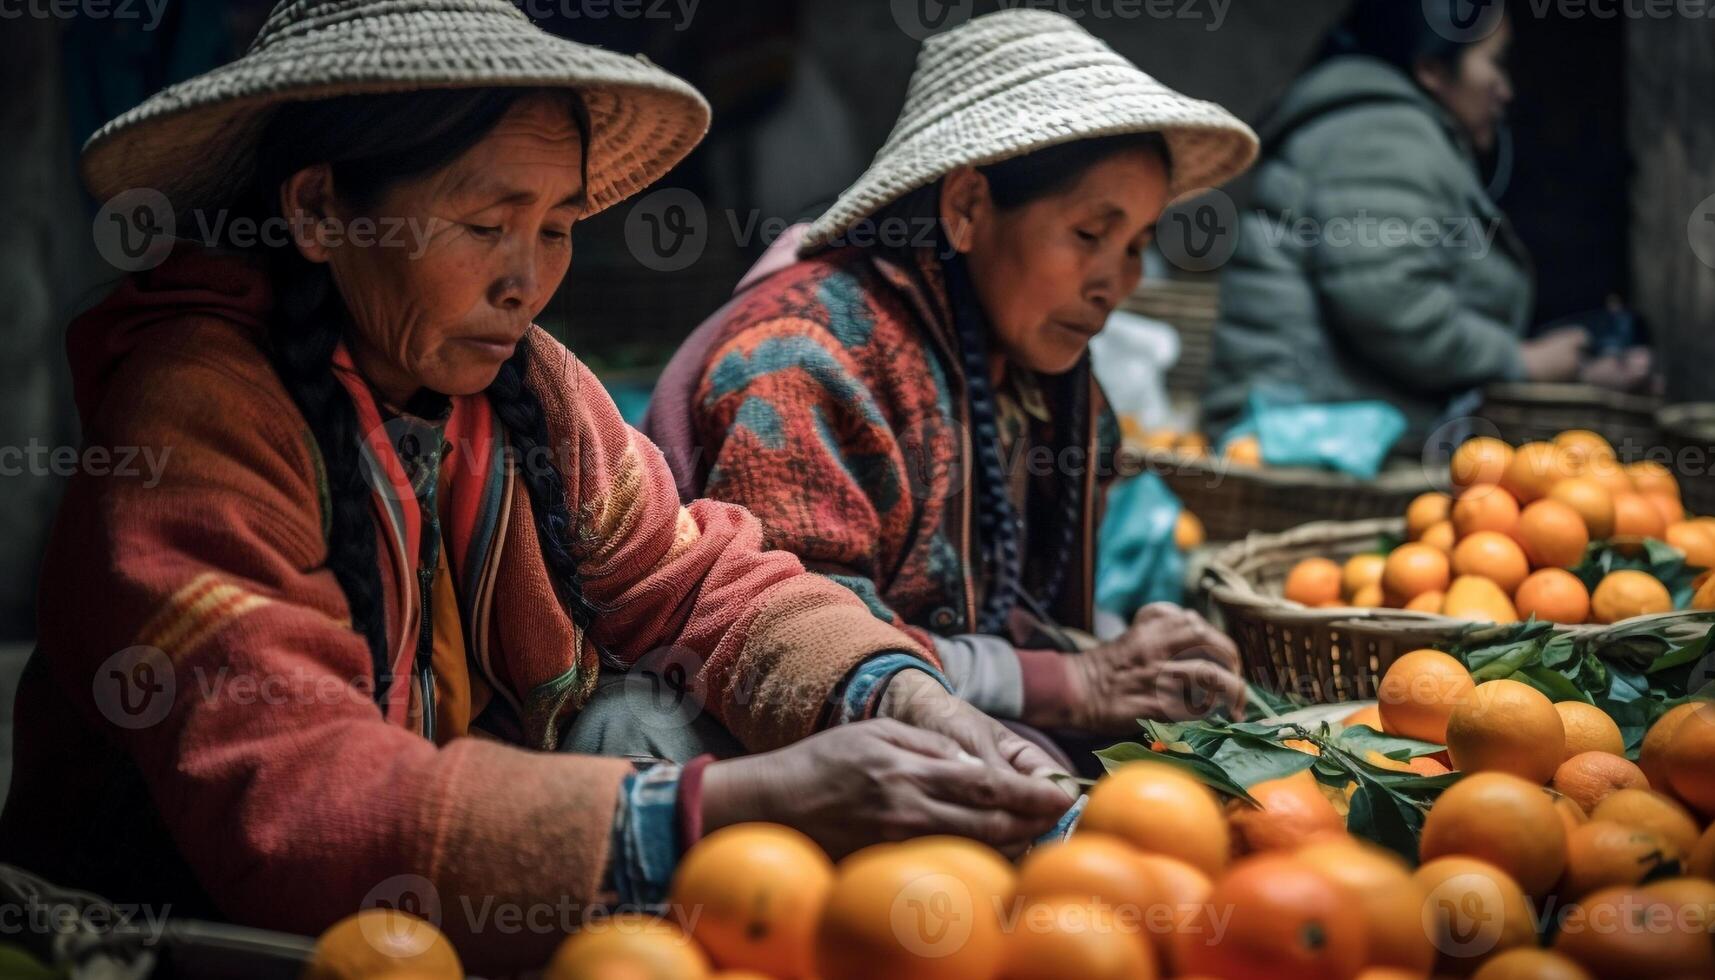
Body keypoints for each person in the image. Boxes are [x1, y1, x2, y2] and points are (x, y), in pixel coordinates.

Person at [0, 1, 1071, 972]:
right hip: (183, 923)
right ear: (320, 208)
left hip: (416, 890)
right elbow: (297, 792)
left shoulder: (525, 383)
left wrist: (898, 692)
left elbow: (692, 575)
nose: (526, 278)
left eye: (556, 227)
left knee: (654, 723)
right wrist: (732, 804)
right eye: (484, 225)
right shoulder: (191, 411)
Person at [646, 9, 1253, 753]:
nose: (1115, 282)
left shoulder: (1029, 372)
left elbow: (995, 610)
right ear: (967, 209)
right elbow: (804, 637)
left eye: (1136, 245)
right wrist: (1073, 680)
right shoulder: (800, 359)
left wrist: (1096, 652)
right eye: (1090, 235)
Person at [1202, 0, 1652, 448]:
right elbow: (1388, 297)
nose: (1505, 89)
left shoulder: (1386, 127)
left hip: (1317, 423)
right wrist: (1522, 361)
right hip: (1301, 433)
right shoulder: (1384, 133)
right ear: (1433, 69)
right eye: (1494, 63)